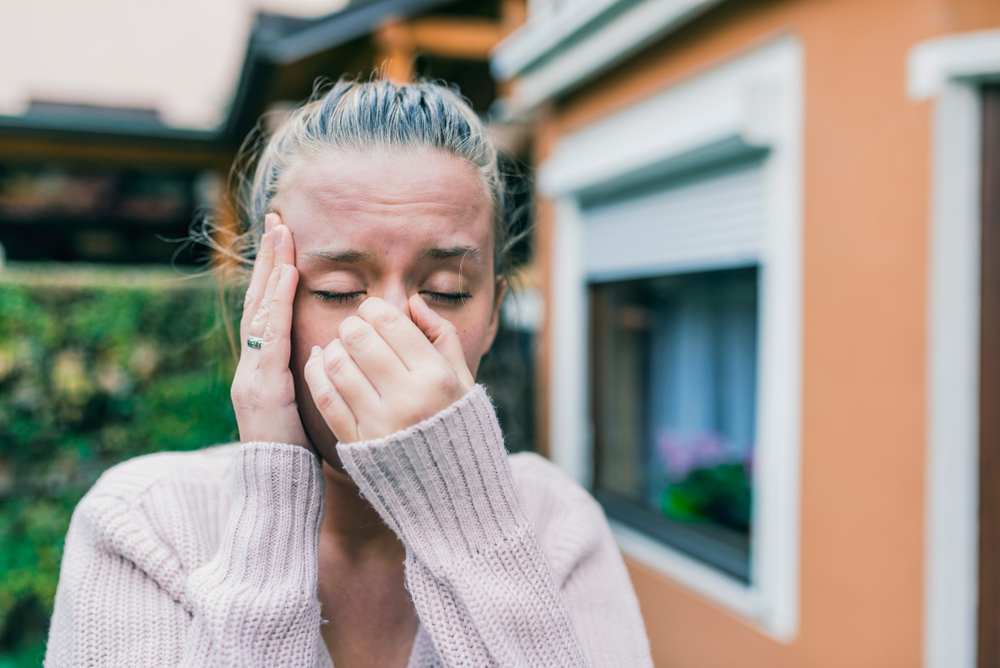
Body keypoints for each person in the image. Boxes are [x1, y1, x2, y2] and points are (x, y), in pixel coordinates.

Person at [43, 79, 653, 668]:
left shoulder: (557, 522)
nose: (390, 328)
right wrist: (273, 501)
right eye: (337, 291)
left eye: (445, 290)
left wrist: (472, 524)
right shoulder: (143, 525)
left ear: (493, 316)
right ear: (261, 306)